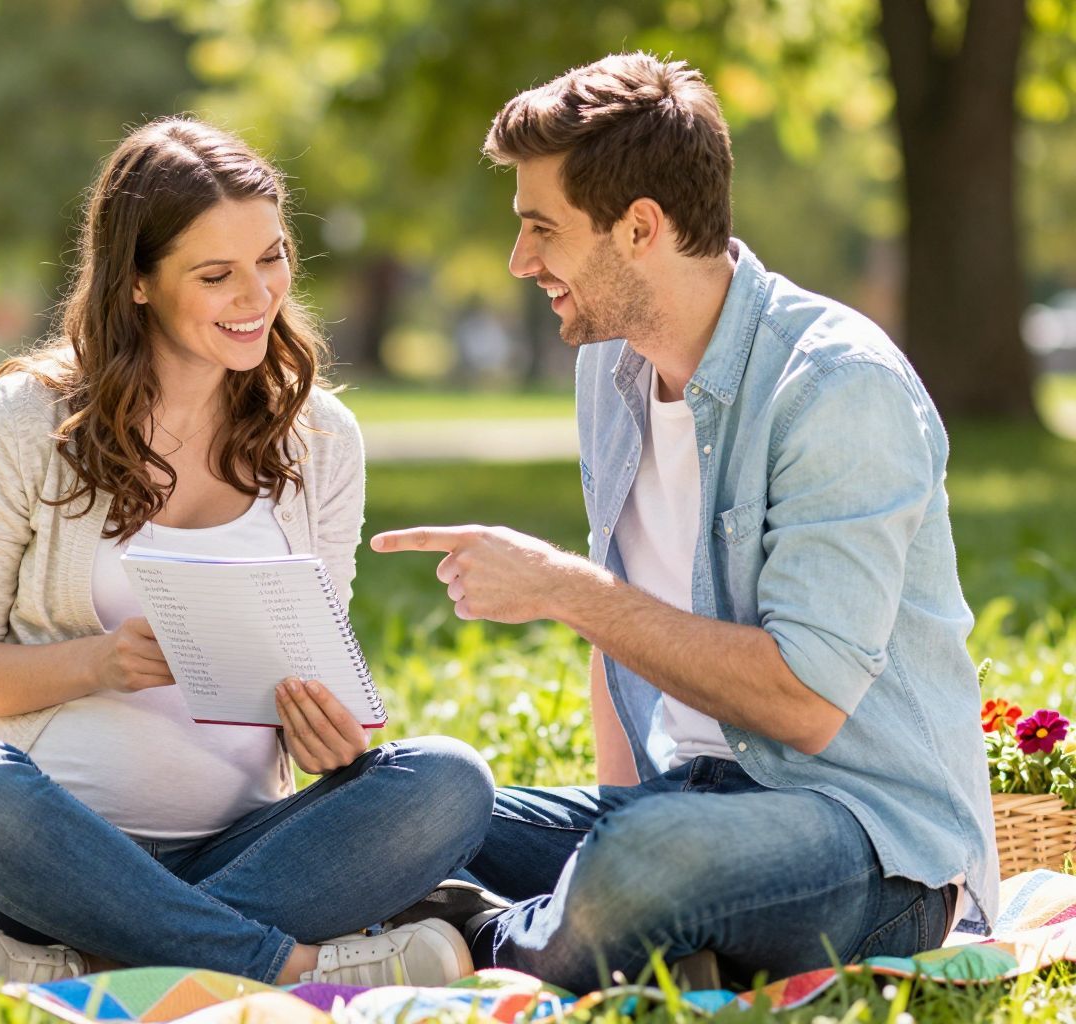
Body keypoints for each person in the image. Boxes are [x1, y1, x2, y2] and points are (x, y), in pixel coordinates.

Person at [373, 53, 997, 993]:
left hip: (869, 843)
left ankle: (478, 938)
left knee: (650, 860)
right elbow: (620, 631)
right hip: (684, 803)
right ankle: (615, 927)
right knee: (394, 808)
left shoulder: (836, 387)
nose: (521, 261)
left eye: (541, 228)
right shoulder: (611, 366)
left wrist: (562, 590)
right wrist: (612, 813)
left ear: (640, 228)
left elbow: (803, 701)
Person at [0, 117, 493, 989]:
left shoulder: (321, 438)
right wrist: (99, 663)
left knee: (450, 779)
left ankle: (100, 960)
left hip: (246, 856)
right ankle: (279, 966)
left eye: (273, 258)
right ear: (136, 283)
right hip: (41, 859)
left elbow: (312, 651)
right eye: (216, 275)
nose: (257, 295)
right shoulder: (32, 422)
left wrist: (332, 735)